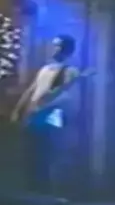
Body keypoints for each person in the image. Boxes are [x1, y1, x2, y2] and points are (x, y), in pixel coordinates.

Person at [10, 34, 81, 194]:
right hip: (34, 114)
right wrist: (19, 109)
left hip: (51, 114)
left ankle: (50, 190)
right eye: (53, 45)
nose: (53, 48)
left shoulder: (70, 71)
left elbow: (61, 93)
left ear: (66, 49)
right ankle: (32, 188)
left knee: (49, 152)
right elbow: (31, 89)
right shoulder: (45, 68)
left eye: (57, 45)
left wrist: (44, 106)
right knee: (31, 152)